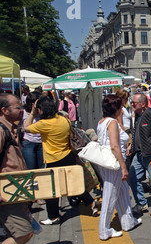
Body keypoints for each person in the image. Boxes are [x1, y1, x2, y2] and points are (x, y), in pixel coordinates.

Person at [23, 96, 98, 225]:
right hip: (68, 155)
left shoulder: (43, 124)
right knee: (72, 183)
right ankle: (90, 201)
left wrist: (32, 112)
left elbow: (26, 127)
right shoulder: (64, 120)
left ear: (41, 110)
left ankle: (53, 217)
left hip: (53, 159)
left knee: (51, 189)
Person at [0, 93, 44, 244]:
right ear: (4, 110)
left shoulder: (11, 128)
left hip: (14, 190)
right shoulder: (1, 130)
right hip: (5, 193)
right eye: (17, 107)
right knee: (24, 233)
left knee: (14, 233)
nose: (21, 110)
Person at [96, 94, 142, 240]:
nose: (122, 109)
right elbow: (115, 146)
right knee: (110, 195)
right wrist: (123, 166)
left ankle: (128, 221)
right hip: (114, 163)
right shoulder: (112, 123)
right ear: (115, 108)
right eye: (120, 106)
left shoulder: (103, 121)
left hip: (108, 163)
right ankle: (104, 230)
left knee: (122, 192)